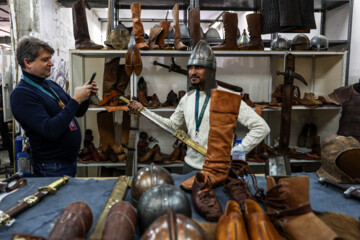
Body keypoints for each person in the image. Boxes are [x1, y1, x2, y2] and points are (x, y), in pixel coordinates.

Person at [128, 40, 270, 183]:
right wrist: (144, 110)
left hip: (217, 169)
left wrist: (235, 152)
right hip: (189, 166)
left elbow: (261, 127)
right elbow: (172, 125)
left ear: (210, 70)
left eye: (199, 67)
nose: (192, 72)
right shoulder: (187, 98)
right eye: (190, 67)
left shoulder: (228, 98)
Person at [10, 36, 98, 177]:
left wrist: (86, 97)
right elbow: (50, 130)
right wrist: (75, 100)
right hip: (51, 166)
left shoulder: (49, 84)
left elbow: (77, 112)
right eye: (45, 60)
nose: (51, 64)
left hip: (67, 162)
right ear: (28, 62)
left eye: (50, 58)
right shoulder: (21, 95)